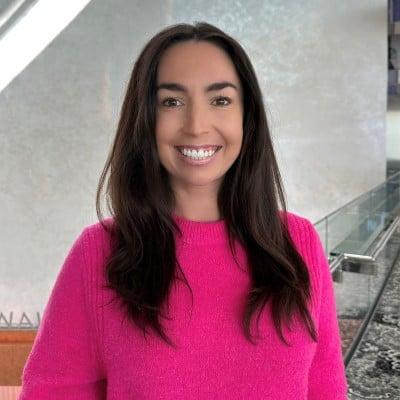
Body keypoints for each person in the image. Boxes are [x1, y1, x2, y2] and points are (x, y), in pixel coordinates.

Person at [20, 22, 347, 399]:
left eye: (220, 100)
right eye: (172, 102)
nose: (196, 126)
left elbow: (326, 391)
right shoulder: (98, 253)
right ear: (146, 118)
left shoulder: (299, 244)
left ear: (247, 116)